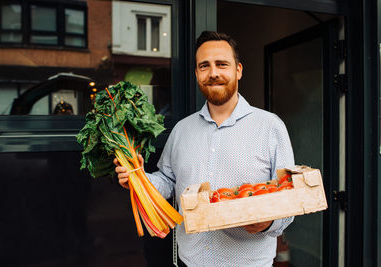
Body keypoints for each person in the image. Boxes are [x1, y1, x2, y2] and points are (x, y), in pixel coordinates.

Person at [114, 31, 294, 267]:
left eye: (222, 64)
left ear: (238, 70)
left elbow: (289, 199)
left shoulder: (270, 127)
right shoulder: (182, 130)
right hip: (190, 262)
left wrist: (269, 223)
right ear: (197, 73)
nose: (214, 73)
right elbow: (168, 181)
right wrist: (140, 178)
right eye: (204, 66)